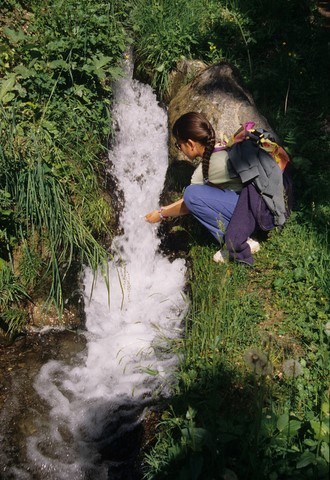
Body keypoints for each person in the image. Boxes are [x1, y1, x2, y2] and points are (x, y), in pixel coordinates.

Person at [144, 111, 261, 262]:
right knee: (193, 194)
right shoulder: (221, 150)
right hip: (255, 207)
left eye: (179, 145)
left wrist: (161, 215)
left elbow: (190, 202)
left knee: (192, 194)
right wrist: (163, 211)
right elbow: (195, 199)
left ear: (190, 144)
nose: (179, 149)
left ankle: (239, 242)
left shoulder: (214, 163)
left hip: (253, 212)